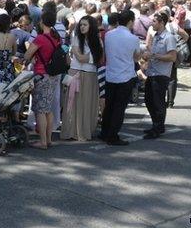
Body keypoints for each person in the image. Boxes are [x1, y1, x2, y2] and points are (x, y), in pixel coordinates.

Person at [100, 10, 141, 146]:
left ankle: (104, 132)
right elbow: (136, 57)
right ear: (130, 21)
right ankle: (112, 135)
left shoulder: (109, 35)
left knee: (109, 106)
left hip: (111, 74)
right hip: (125, 75)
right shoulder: (133, 39)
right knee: (119, 108)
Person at [24, 10, 62, 150]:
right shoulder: (56, 37)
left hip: (41, 75)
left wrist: (30, 58)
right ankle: (49, 139)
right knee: (48, 109)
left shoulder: (40, 38)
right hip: (53, 75)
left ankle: (43, 141)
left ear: (41, 22)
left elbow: (27, 55)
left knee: (40, 109)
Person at [61, 16, 103, 141]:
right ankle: (71, 131)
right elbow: (80, 58)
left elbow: (95, 59)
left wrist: (85, 56)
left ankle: (84, 131)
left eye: (85, 25)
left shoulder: (98, 41)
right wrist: (87, 56)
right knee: (72, 103)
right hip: (75, 73)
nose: (82, 27)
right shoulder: (76, 38)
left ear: (91, 26)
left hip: (90, 75)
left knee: (86, 103)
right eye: (81, 25)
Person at [142, 12, 177, 139]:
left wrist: (155, 56)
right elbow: (151, 52)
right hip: (152, 72)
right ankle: (156, 124)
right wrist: (147, 56)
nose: (152, 24)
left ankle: (157, 127)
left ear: (162, 22)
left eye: (154, 22)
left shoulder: (169, 37)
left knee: (158, 102)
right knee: (148, 100)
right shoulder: (155, 36)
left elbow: (172, 57)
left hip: (161, 74)